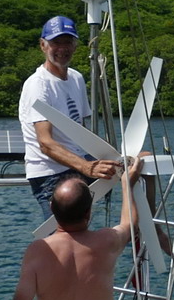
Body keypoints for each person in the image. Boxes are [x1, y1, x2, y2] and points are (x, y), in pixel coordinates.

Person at [3, 157, 144, 300]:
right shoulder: (105, 242)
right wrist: (128, 183)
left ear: (52, 208)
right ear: (88, 212)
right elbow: (129, 224)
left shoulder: (39, 250)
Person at [19, 15, 121, 214]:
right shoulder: (38, 85)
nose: (62, 49)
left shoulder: (76, 78)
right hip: (50, 174)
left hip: (77, 165)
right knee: (67, 237)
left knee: (137, 167)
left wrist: (111, 161)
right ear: (43, 45)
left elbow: (79, 131)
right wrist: (87, 167)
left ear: (75, 46)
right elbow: (45, 143)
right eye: (56, 43)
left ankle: (143, 231)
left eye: (68, 42)